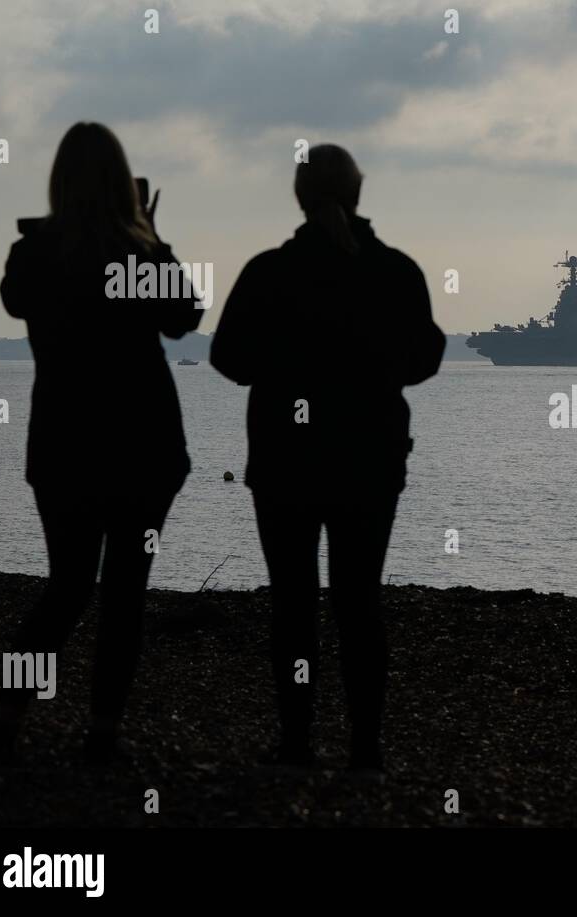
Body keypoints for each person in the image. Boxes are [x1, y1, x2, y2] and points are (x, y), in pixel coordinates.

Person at [210, 144, 444, 771]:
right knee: (359, 603)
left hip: (286, 460)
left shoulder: (268, 271)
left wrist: (286, 364)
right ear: (359, 193)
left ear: (299, 196)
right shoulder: (396, 271)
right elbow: (425, 358)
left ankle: (295, 742)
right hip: (369, 460)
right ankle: (365, 749)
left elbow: (227, 357)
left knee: (293, 605)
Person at [0, 122, 201, 766]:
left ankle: (4, 717)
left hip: (63, 444)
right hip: (144, 445)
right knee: (126, 591)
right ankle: (102, 734)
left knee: (68, 585)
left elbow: (15, 300)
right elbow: (185, 319)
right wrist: (151, 238)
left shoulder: (35, 254)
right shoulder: (140, 254)